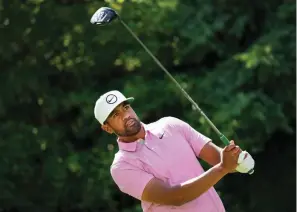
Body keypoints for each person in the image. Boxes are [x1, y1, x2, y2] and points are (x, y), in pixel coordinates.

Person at [94, 90, 247, 212]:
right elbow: (176, 197)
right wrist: (222, 168)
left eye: (126, 107)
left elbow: (220, 158)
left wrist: (236, 159)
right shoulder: (122, 166)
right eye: (116, 115)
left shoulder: (170, 125)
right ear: (107, 128)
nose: (126, 115)